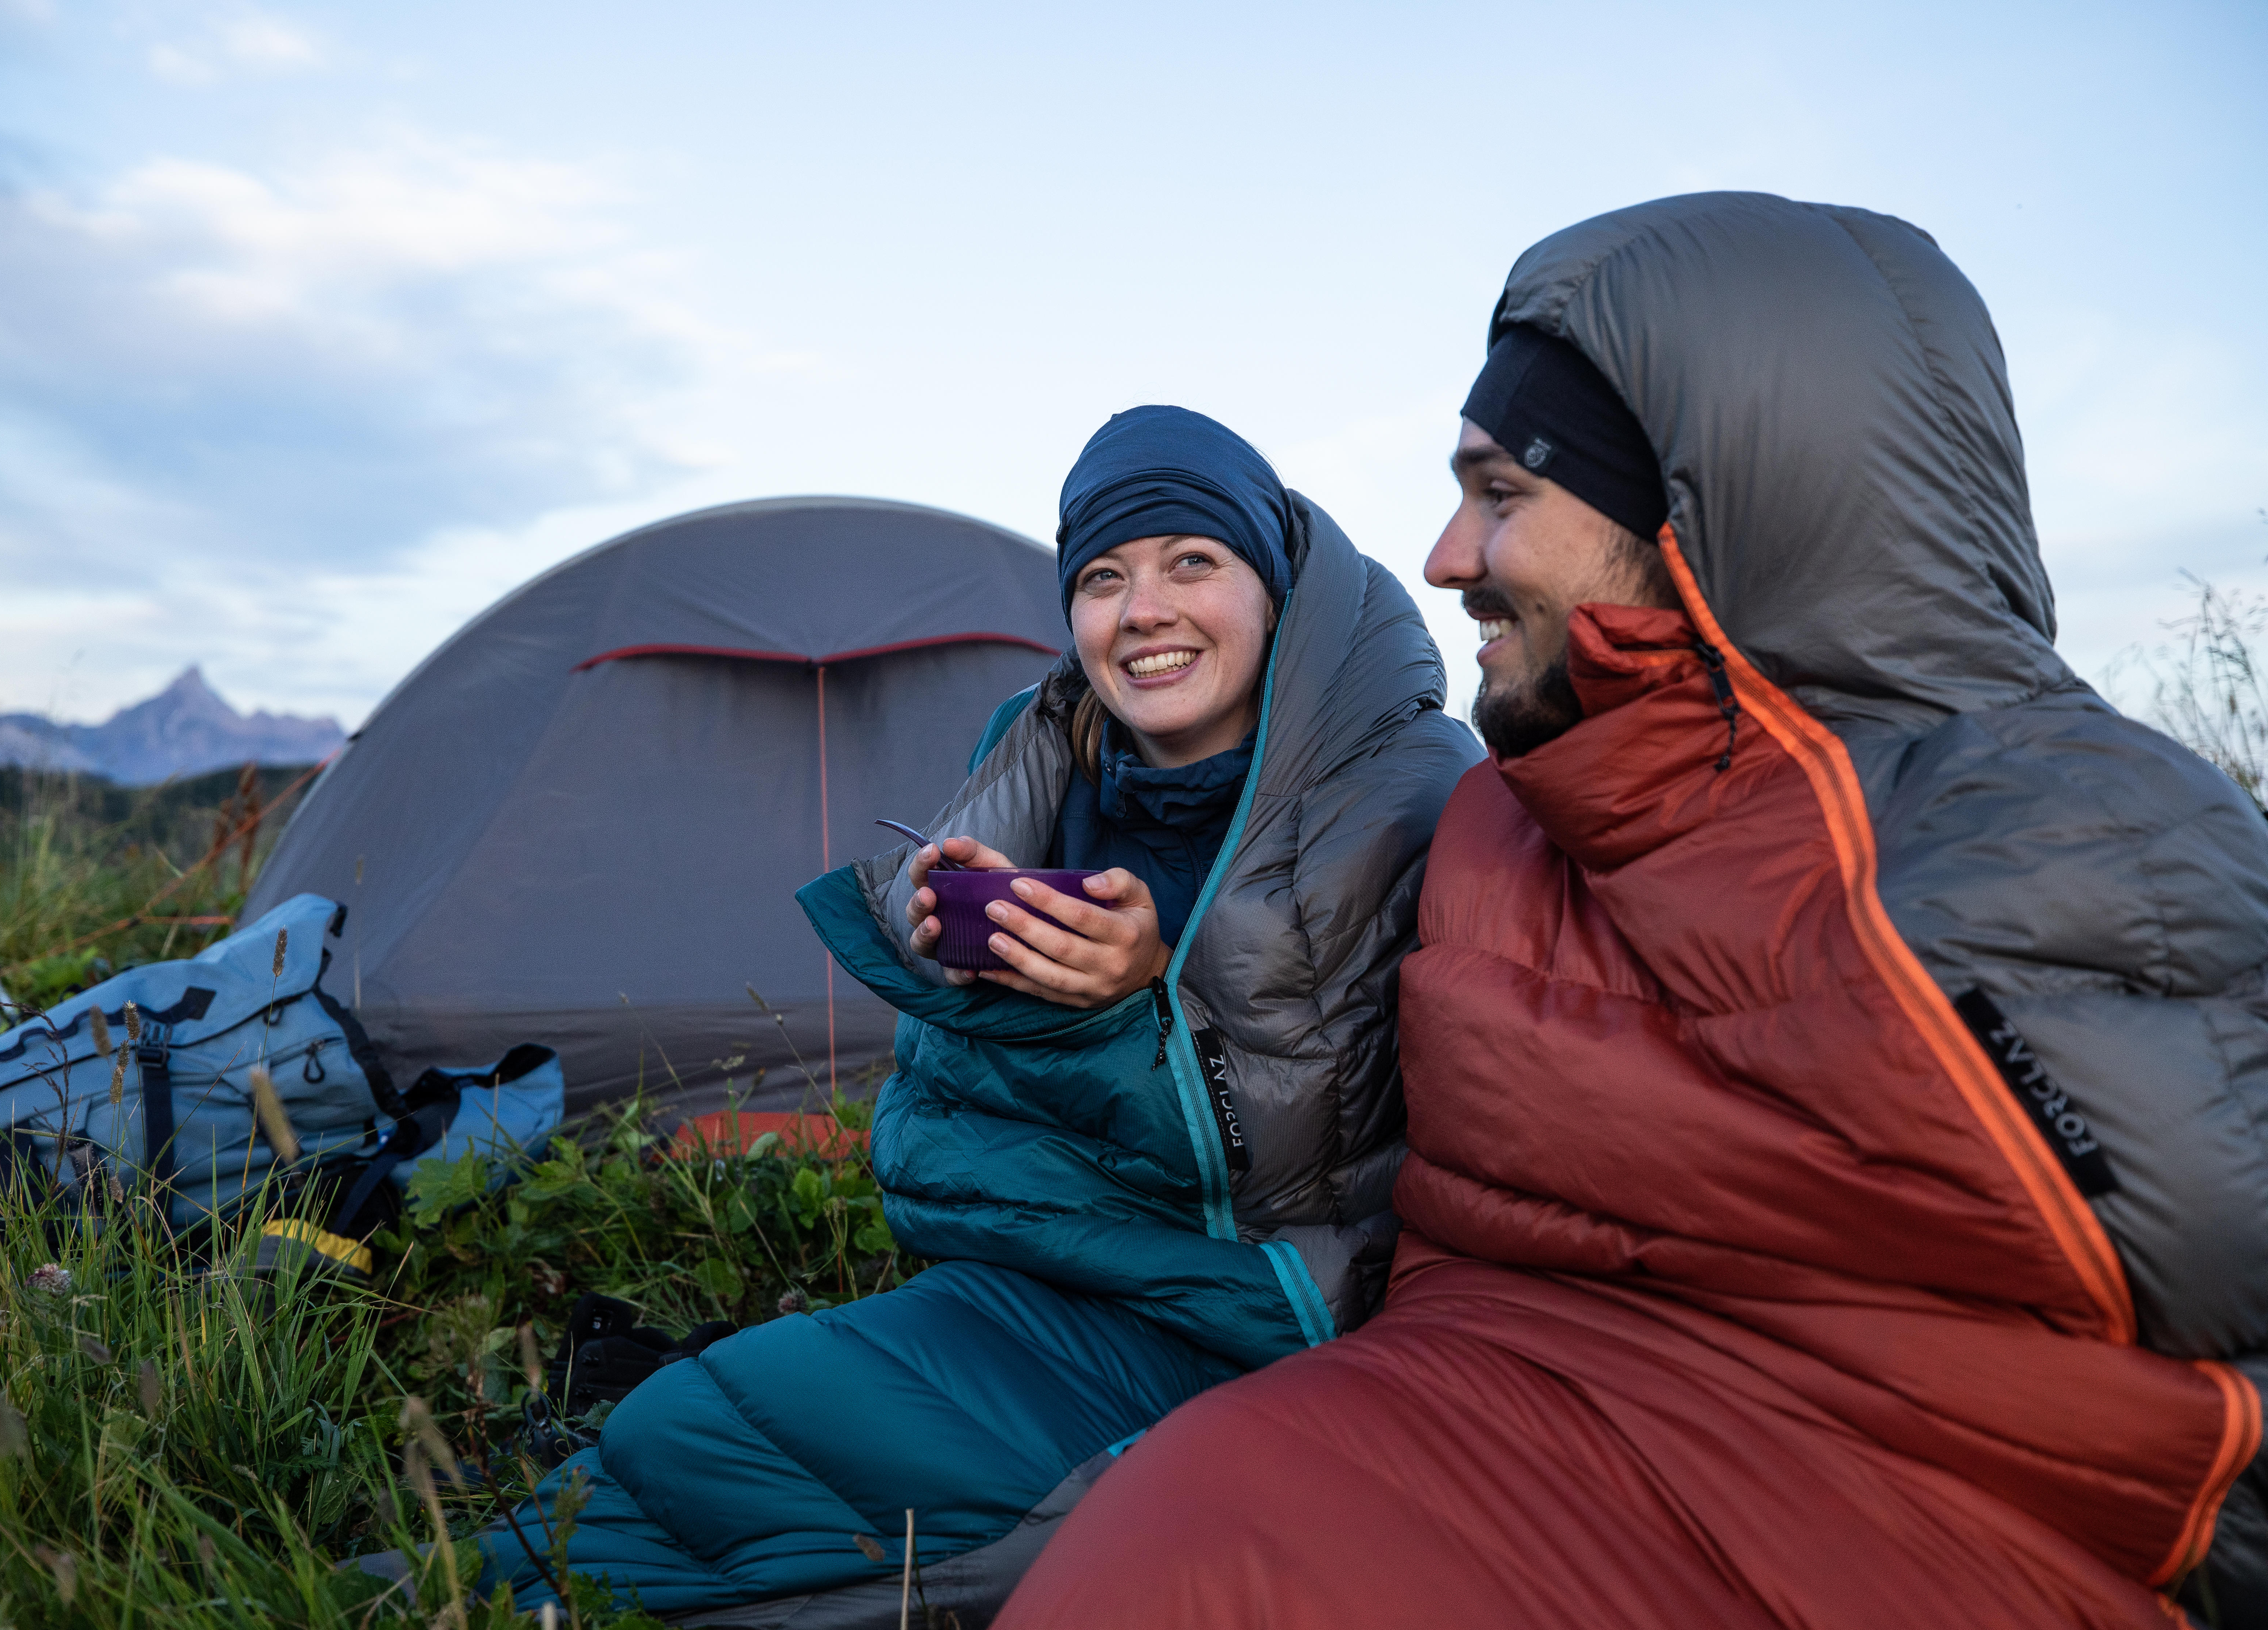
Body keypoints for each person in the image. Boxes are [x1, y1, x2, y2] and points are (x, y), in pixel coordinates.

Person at [998, 192, 2268, 1629]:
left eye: (1504, 494)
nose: (1444, 555)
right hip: (1489, 1412)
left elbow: (2212, 1408)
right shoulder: (1507, 820)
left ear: (1705, 505)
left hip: (1889, 1524)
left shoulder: (2067, 846)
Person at [473, 406, 1480, 1622]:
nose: (1144, 610)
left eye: (1191, 564)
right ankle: (432, 1584)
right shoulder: (1042, 762)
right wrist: (955, 950)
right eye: (1103, 579)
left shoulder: (1415, 792)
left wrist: (1152, 999)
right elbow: (959, 1122)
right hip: (1033, 1281)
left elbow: (1382, 1138)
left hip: (1257, 1327)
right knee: (690, 1421)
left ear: (1275, 585)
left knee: (907, 1550)